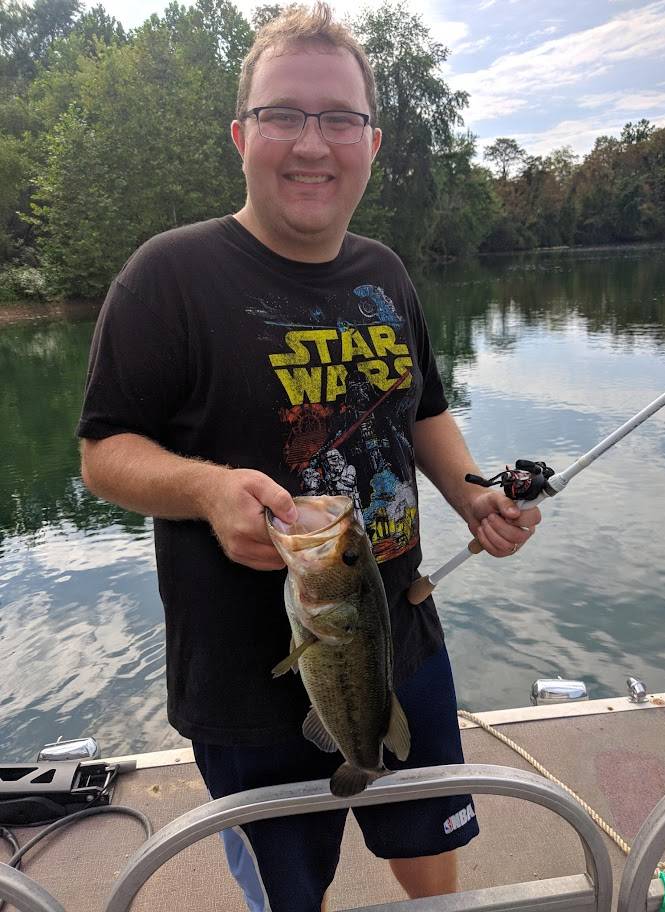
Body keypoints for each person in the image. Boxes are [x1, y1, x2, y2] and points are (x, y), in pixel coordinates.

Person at [77, 4, 541, 911]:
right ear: (241, 135)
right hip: (243, 679)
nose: (311, 144)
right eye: (284, 114)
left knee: (430, 851)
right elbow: (102, 455)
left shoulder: (386, 273)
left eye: (339, 119)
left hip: (402, 637)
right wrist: (207, 490)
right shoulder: (167, 276)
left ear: (373, 141)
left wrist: (473, 493)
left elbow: (423, 410)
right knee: (291, 895)